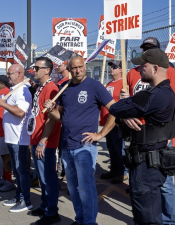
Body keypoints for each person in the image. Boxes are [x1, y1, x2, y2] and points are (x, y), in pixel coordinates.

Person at [44, 52, 116, 225]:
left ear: (85, 67)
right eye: (74, 68)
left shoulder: (95, 86)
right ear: (69, 69)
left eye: (80, 67)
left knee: (86, 188)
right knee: (74, 189)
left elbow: (114, 109)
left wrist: (101, 134)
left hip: (85, 146)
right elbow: (59, 117)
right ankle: (80, 219)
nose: (77, 71)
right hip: (67, 146)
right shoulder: (65, 88)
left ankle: (90, 222)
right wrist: (50, 109)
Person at [109, 48, 175, 225]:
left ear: (155, 68)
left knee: (147, 219)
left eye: (143, 66)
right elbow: (121, 114)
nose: (139, 70)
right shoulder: (164, 93)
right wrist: (125, 115)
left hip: (146, 167)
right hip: (150, 162)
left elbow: (115, 108)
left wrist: (124, 109)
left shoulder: (154, 95)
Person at [28, 57, 62, 225]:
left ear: (47, 70)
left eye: (37, 68)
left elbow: (52, 118)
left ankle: (52, 211)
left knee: (48, 177)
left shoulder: (51, 88)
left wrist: (43, 141)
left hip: (45, 143)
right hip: (36, 138)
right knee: (42, 177)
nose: (34, 71)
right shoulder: (42, 87)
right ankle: (45, 205)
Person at [0, 64, 33, 213]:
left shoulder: (24, 90)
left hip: (19, 139)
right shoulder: (14, 89)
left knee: (21, 170)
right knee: (16, 171)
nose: (8, 76)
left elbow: (20, 112)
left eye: (10, 73)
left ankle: (26, 200)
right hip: (11, 137)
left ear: (19, 73)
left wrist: (3, 104)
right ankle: (19, 196)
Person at [100, 60, 128, 183]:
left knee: (119, 148)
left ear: (121, 69)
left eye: (115, 67)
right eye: (111, 67)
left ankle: (122, 172)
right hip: (107, 122)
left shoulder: (124, 84)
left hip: (117, 123)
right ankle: (114, 170)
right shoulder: (109, 83)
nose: (112, 69)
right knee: (111, 147)